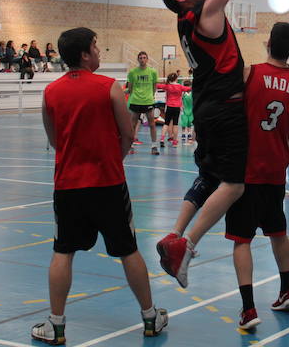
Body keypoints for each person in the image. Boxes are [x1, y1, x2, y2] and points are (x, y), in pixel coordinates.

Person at [32, 27, 167, 344]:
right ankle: (150, 318)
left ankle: (56, 325)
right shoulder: (110, 88)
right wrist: (112, 159)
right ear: (84, 54)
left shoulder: (50, 92)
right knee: (128, 250)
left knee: (62, 251)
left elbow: (54, 141)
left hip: (67, 186)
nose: (99, 50)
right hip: (107, 183)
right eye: (95, 46)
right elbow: (128, 135)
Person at [156, 0, 249, 288]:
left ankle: (174, 232)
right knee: (234, 183)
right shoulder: (208, 13)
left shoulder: (186, 18)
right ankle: (187, 245)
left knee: (208, 177)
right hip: (225, 109)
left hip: (207, 108)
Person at [226, 22, 289, 331]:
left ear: (268, 42)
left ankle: (248, 308)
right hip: (276, 167)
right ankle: (287, 289)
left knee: (241, 240)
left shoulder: (250, 73)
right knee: (277, 231)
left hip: (248, 168)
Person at [125, 52, 160, 154]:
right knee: (133, 125)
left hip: (148, 101)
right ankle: (129, 146)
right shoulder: (132, 72)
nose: (142, 59)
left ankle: (154, 147)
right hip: (135, 101)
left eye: (144, 58)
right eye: (140, 58)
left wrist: (151, 96)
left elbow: (154, 87)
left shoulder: (153, 72)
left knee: (152, 124)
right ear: (138, 59)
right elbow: (130, 89)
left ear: (147, 59)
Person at [157, 72, 191, 148]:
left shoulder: (167, 86)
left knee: (166, 124)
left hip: (169, 107)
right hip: (176, 108)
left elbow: (157, 85)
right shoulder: (180, 87)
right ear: (176, 79)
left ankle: (162, 139)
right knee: (175, 124)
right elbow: (189, 88)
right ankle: (175, 142)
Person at [180, 80, 194, 144]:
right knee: (184, 123)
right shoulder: (183, 93)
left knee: (189, 123)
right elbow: (181, 101)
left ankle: (189, 133)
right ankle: (183, 133)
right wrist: (181, 107)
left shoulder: (192, 93)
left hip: (191, 109)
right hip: (184, 109)